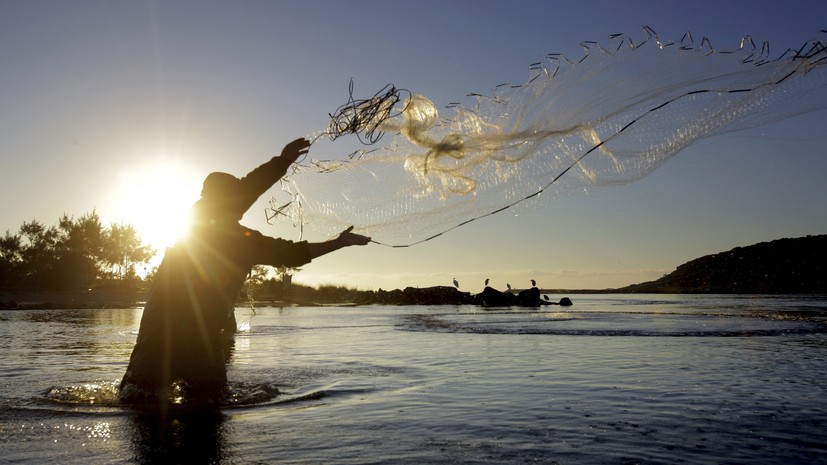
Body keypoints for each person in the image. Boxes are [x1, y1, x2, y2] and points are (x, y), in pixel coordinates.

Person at [120, 138, 370, 402]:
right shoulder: (240, 239)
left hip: (159, 337)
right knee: (207, 408)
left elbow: (254, 197)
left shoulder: (194, 223)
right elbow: (294, 252)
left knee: (138, 401)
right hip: (196, 342)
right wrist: (339, 243)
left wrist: (282, 161)